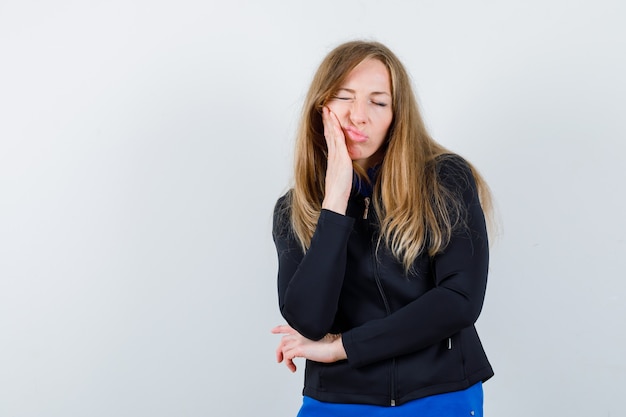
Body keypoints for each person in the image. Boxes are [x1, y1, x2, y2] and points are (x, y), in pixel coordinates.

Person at [271, 40, 494, 417]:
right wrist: (335, 203)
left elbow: (458, 300)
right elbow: (308, 321)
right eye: (344, 97)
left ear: (397, 116)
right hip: (336, 401)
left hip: (438, 393)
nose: (360, 116)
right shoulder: (294, 209)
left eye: (378, 102)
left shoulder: (445, 179)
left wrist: (343, 347)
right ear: (321, 108)